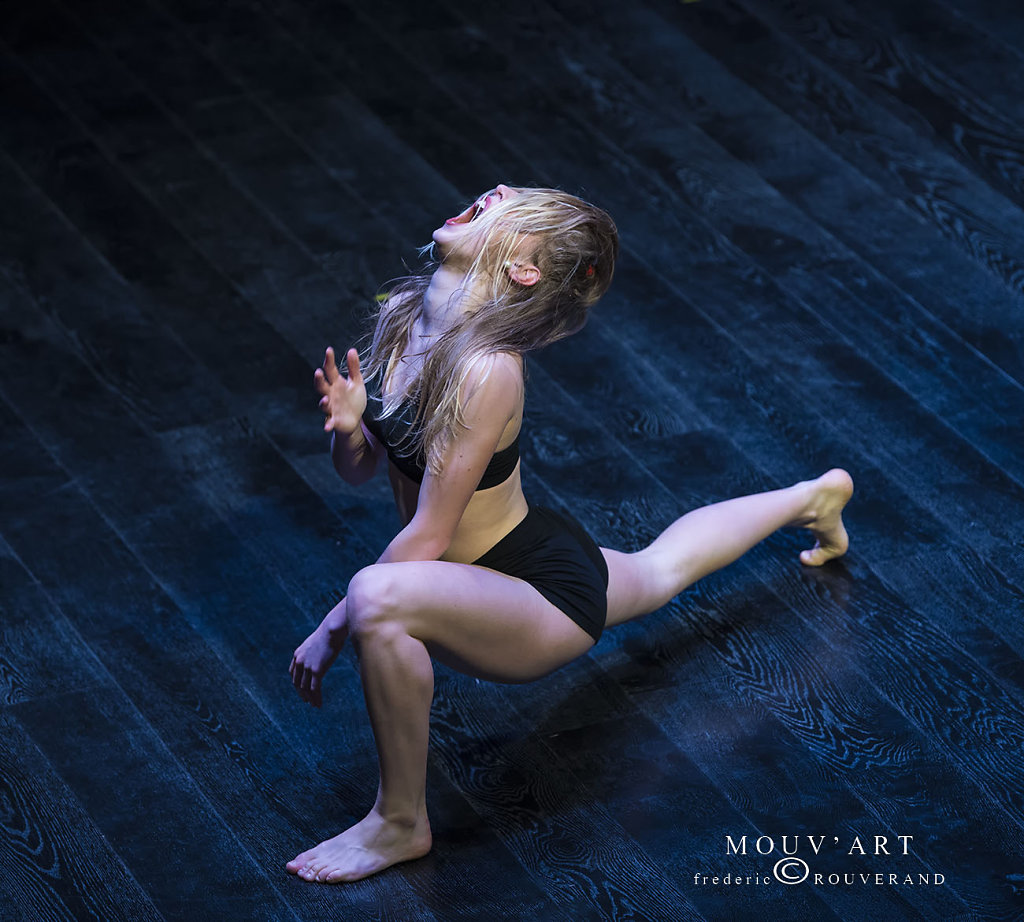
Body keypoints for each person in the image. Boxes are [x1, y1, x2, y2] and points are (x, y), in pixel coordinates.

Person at [286, 184, 853, 884]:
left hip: (540, 588)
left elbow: (428, 536)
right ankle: (814, 496)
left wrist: (331, 629)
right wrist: (348, 429)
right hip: (484, 575)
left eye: (508, 205)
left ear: (523, 269)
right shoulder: (407, 321)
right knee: (662, 568)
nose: (491, 193)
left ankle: (399, 822)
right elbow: (364, 466)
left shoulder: (488, 369)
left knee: (377, 595)